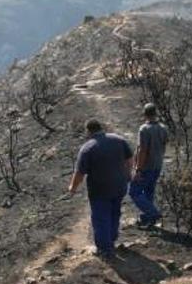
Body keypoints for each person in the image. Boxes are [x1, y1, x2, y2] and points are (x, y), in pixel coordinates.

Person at [68, 119, 134, 258]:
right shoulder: (119, 140)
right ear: (101, 128)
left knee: (100, 217)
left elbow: (79, 173)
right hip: (120, 185)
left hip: (100, 190)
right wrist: (128, 174)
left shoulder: (87, 148)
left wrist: (72, 188)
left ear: (88, 131)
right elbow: (129, 159)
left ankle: (105, 249)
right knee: (115, 212)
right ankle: (111, 239)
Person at [129, 103, 168, 228]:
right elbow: (164, 145)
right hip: (158, 164)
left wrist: (138, 169)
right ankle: (148, 219)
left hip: (146, 167)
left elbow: (142, 150)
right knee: (148, 192)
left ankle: (153, 213)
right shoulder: (163, 128)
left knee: (134, 192)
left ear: (145, 114)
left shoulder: (144, 129)